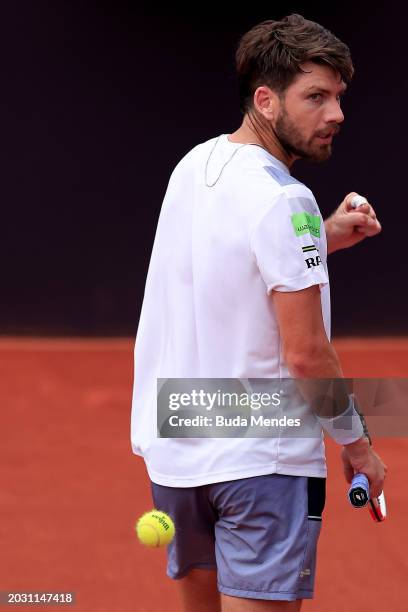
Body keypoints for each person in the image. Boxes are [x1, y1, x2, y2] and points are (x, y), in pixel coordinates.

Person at [131, 13, 387, 611]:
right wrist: (357, 446)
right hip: (262, 460)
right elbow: (305, 352)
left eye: (339, 97)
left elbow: (225, 263)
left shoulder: (192, 167)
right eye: (316, 97)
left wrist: (319, 238)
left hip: (181, 448)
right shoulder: (287, 199)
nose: (337, 115)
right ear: (266, 101)